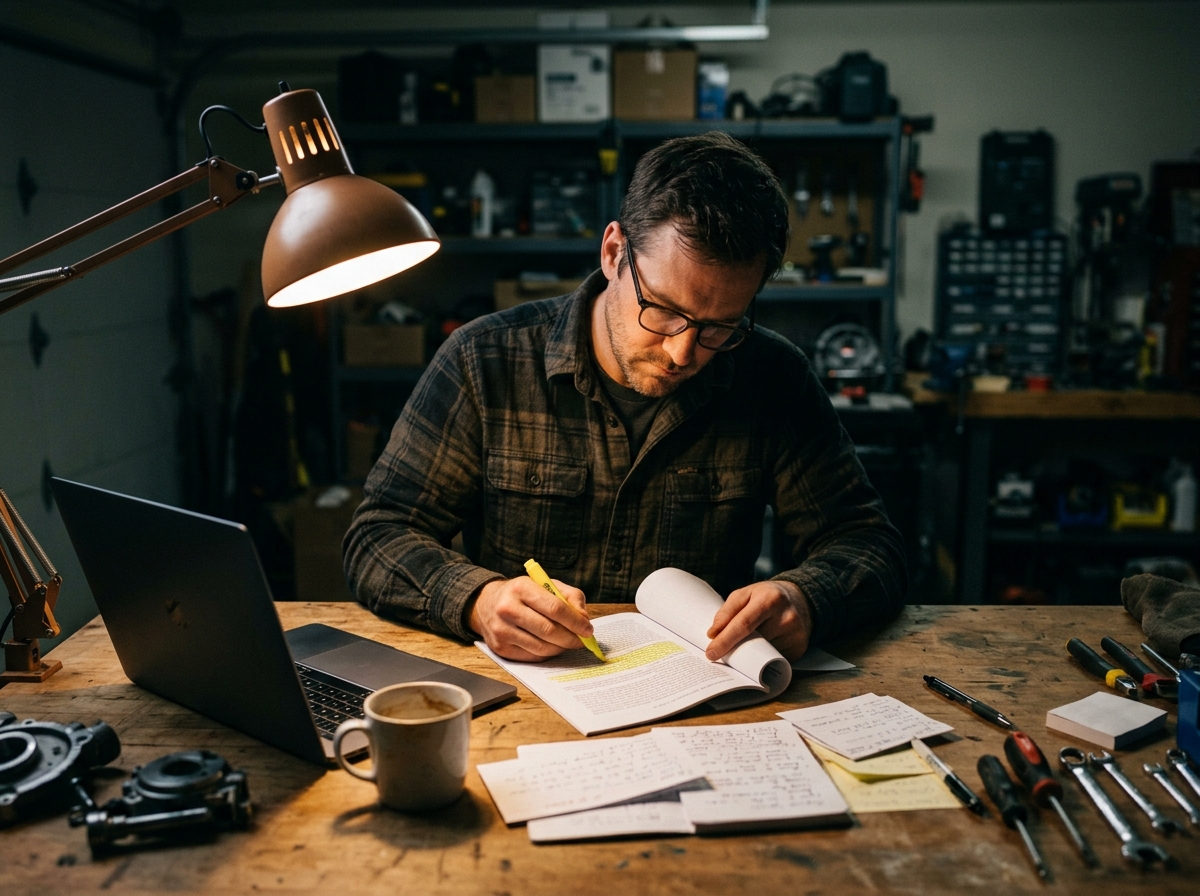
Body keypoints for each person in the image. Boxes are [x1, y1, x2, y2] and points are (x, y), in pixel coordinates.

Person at [344, 132, 906, 664]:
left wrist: (807, 597)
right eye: (662, 309)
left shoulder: (771, 376)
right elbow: (378, 535)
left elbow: (867, 543)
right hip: (529, 696)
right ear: (614, 252)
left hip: (702, 700)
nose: (684, 352)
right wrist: (477, 600)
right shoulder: (483, 361)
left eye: (720, 327)